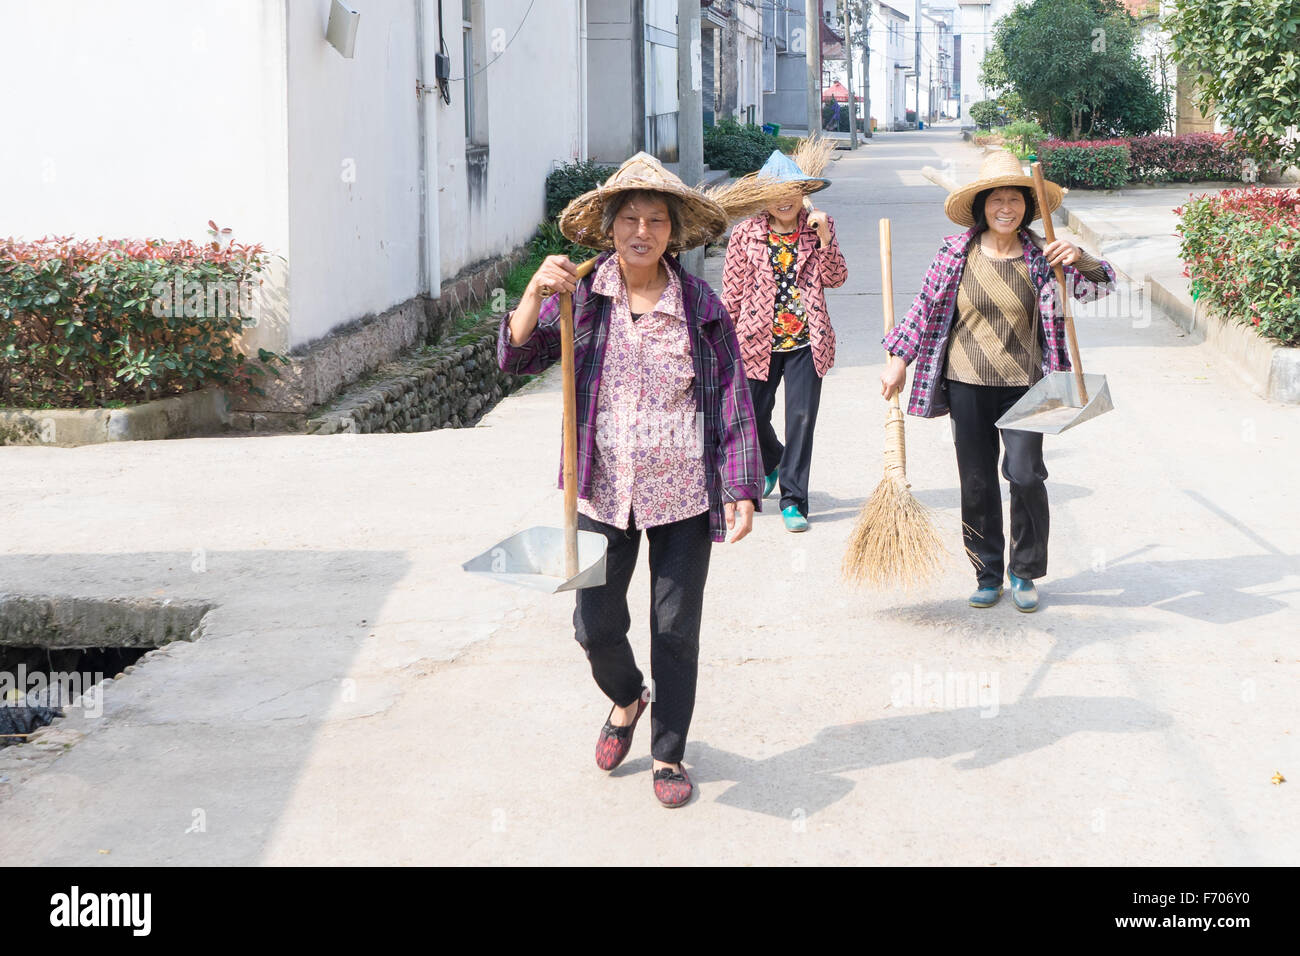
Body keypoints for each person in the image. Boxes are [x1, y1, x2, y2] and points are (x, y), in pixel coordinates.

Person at [497, 152, 763, 808]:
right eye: (630, 220)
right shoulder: (583, 294)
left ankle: (668, 753)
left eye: (655, 221)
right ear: (609, 229)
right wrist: (535, 291)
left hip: (682, 495)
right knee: (591, 623)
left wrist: (741, 485)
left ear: (673, 233)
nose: (641, 231)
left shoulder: (700, 304)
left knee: (674, 630)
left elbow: (731, 394)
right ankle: (626, 697)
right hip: (600, 489)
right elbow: (515, 357)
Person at [879, 151, 1116, 611]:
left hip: (1030, 384)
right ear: (981, 206)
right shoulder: (955, 254)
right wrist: (898, 360)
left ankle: (1024, 571)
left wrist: (1080, 257)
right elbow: (924, 311)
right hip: (966, 384)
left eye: (1015, 200)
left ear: (1028, 207)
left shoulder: (1046, 256)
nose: (1006, 208)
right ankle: (987, 572)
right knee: (976, 483)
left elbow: (1102, 287)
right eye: (996, 200)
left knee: (1026, 476)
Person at [720, 150, 848, 531]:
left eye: (792, 189)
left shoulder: (817, 228)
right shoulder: (746, 233)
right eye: (776, 191)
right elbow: (732, 291)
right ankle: (772, 460)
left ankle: (794, 499)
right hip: (755, 341)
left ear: (803, 192)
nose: (785, 198)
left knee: (801, 420)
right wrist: (719, 339)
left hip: (807, 342)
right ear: (763, 198)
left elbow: (837, 278)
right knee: (752, 416)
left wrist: (824, 237)